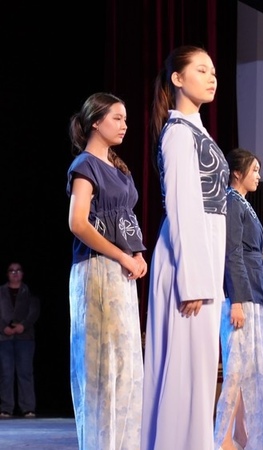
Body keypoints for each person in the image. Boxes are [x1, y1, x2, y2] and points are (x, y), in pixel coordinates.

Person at [142, 45, 230, 450]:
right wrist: (192, 280)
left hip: (205, 252)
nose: (212, 77)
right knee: (185, 367)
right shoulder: (178, 133)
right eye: (201, 70)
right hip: (187, 261)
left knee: (200, 368)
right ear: (177, 79)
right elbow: (181, 205)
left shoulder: (196, 131)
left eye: (213, 71)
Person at [66, 92, 147, 448]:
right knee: (102, 366)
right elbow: (78, 223)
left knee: (125, 365)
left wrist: (136, 254)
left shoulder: (118, 167)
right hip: (98, 271)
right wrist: (122, 256)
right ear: (96, 122)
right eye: (116, 118)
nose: (124, 125)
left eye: (125, 118)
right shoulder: (86, 165)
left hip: (120, 274)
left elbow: (125, 220)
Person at [214, 148, 263, 450]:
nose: (258, 176)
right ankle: (223, 437)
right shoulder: (230, 201)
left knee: (249, 369)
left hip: (254, 289)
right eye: (254, 170)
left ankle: (241, 433)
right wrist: (236, 299)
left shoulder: (242, 203)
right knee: (236, 368)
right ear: (237, 173)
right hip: (242, 292)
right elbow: (232, 252)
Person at [0, 262, 40, 419]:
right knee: (6, 373)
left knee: (25, 373)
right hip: (4, 337)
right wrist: (3, 327)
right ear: (7, 274)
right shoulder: (1, 291)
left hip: (25, 337)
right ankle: (6, 408)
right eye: (12, 271)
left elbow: (34, 311)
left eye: (18, 270)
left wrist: (23, 325)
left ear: (22, 273)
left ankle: (28, 408)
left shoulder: (29, 291)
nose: (15, 273)